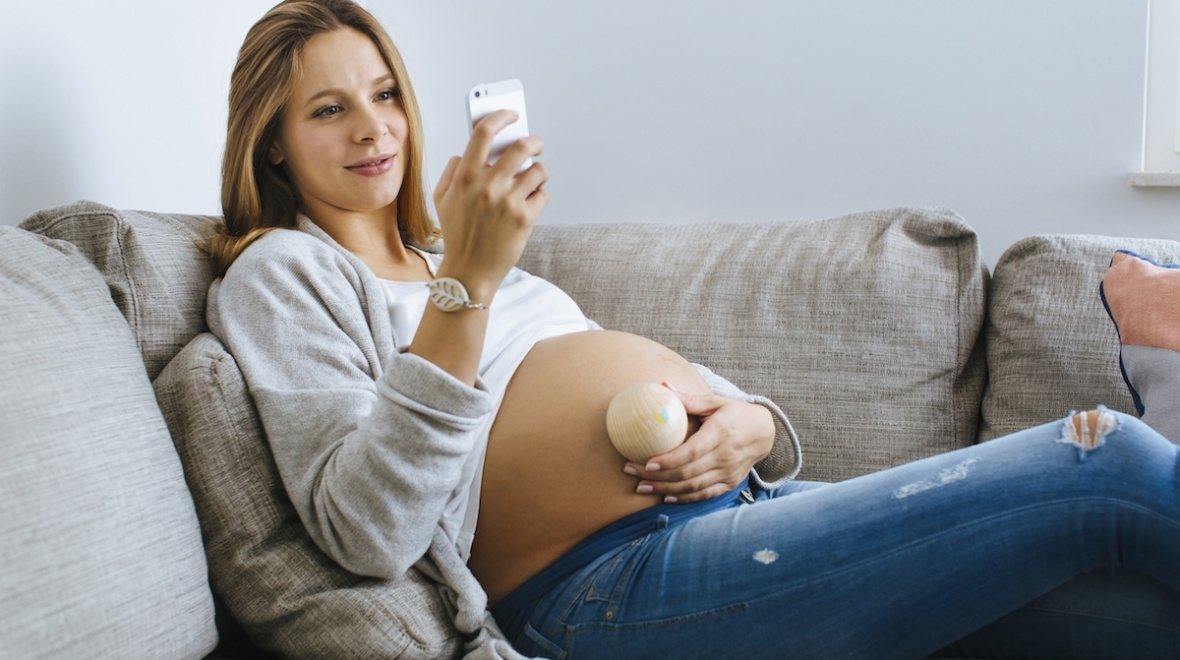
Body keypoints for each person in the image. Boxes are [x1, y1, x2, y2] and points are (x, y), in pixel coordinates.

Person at [206, 1, 1180, 657]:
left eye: (384, 94)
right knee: (1102, 462)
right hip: (598, 585)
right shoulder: (284, 274)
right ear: (274, 145)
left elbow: (629, 377)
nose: (373, 128)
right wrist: (468, 280)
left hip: (740, 515)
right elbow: (366, 530)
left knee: (1137, 615)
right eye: (328, 109)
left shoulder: (447, 256)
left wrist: (751, 424)